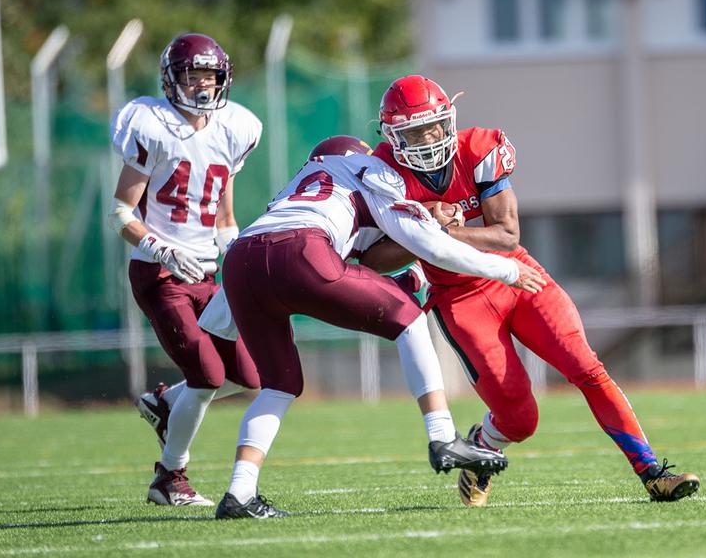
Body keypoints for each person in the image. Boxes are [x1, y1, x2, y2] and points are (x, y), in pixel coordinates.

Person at [362, 75, 701, 507]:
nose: (427, 139)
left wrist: (441, 228)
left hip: (516, 275)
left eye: (432, 127)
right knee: (521, 420)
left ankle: (652, 472)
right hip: (458, 300)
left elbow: (505, 234)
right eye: (413, 132)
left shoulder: (479, 148)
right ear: (393, 135)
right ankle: (483, 445)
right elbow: (372, 259)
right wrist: (421, 226)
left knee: (586, 365)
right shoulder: (383, 170)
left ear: (448, 120)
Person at [204, 135, 546, 519]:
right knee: (410, 320)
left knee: (279, 385)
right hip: (302, 251)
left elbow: (351, 274)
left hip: (241, 261)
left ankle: (240, 493)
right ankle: (443, 437)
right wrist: (506, 269)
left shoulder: (298, 187)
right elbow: (430, 247)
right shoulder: (371, 171)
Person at [108, 33, 262, 506]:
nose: (201, 86)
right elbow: (120, 213)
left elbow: (224, 216)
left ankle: (165, 403)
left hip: (206, 275)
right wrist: (160, 248)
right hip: (158, 273)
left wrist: (234, 256)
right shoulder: (150, 124)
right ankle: (168, 478)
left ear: (224, 80)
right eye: (191, 75)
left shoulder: (234, 128)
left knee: (249, 378)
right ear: (172, 79)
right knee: (208, 375)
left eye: (209, 76)